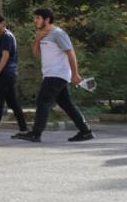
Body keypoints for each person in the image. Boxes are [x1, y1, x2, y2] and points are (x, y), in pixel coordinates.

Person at [14, 8, 94, 143]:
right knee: (66, 104)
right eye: (35, 18)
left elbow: (71, 53)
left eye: (38, 18)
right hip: (51, 74)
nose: (35, 20)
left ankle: (35, 133)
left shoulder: (58, 34)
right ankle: (85, 132)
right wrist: (37, 39)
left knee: (42, 102)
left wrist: (75, 74)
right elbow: (35, 53)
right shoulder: (42, 34)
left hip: (57, 74)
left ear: (47, 19)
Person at [0, 13, 29, 135]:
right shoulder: (4, 36)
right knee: (13, 103)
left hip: (6, 74)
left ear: (2, 23)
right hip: (9, 74)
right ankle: (23, 129)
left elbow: (5, 57)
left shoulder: (6, 36)